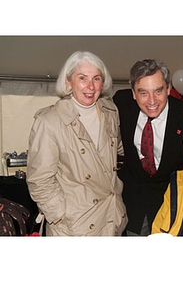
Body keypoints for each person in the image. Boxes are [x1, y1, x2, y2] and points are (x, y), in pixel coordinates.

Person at [26, 51, 128, 236]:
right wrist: (60, 216)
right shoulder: (49, 121)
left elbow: (117, 150)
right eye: (83, 78)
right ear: (68, 82)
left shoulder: (111, 112)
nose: (90, 86)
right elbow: (39, 179)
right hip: (73, 227)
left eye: (96, 78)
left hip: (110, 219)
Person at [113, 59, 183, 236]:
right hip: (132, 207)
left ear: (168, 88)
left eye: (158, 91)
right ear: (133, 93)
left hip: (171, 207)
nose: (152, 101)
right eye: (143, 93)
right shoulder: (122, 104)